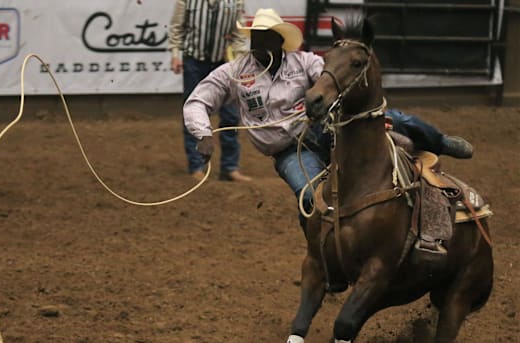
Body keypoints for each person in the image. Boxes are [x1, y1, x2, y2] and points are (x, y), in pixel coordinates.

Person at [184, 8, 473, 224]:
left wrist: (326, 95)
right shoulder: (235, 72)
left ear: (277, 39)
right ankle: (321, 253)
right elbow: (197, 101)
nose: (257, 41)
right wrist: (203, 133)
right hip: (289, 151)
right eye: (254, 35)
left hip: (326, 129)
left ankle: (441, 142)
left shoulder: (304, 62)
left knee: (396, 118)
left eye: (263, 35)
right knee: (310, 198)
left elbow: (329, 77)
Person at [168, 0, 252, 181]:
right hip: (194, 61)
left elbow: (239, 32)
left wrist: (238, 60)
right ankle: (197, 165)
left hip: (223, 63)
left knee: (230, 115)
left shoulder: (235, 1)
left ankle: (229, 167)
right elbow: (177, 26)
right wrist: (175, 54)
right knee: (194, 111)